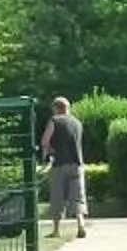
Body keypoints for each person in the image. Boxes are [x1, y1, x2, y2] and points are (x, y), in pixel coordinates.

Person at [42, 96, 89, 239]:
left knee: (57, 197)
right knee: (78, 197)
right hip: (77, 164)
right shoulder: (77, 123)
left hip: (60, 164)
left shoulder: (54, 120)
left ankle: (56, 230)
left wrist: (50, 152)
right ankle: (81, 225)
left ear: (56, 108)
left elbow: (45, 141)